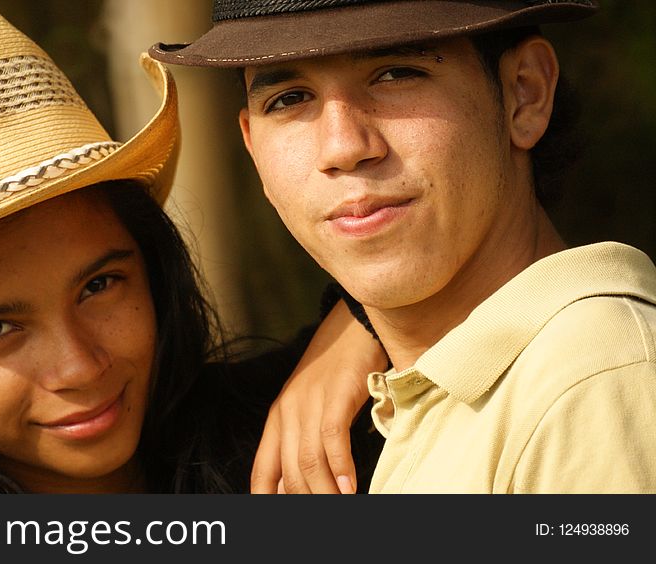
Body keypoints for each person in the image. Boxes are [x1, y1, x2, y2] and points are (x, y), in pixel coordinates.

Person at [0, 5, 385, 494]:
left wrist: (365, 327)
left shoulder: (305, 432)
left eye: (99, 286)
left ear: (152, 267)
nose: (80, 367)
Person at [150, 0, 656, 493]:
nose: (343, 147)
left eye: (396, 73)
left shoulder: (592, 379)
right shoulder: (403, 405)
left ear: (524, 94)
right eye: (288, 99)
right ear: (253, 147)